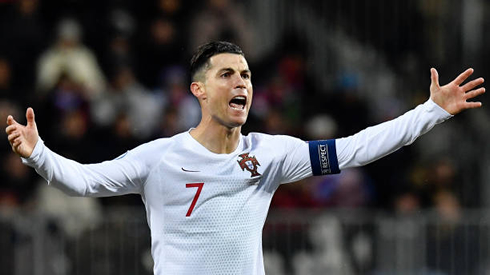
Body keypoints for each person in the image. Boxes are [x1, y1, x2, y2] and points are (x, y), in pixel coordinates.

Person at [5, 41, 485, 275]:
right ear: (198, 89)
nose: (243, 83)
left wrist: (430, 112)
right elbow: (84, 181)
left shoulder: (271, 154)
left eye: (248, 75)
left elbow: (355, 149)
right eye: (228, 74)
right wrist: (39, 154)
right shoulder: (159, 158)